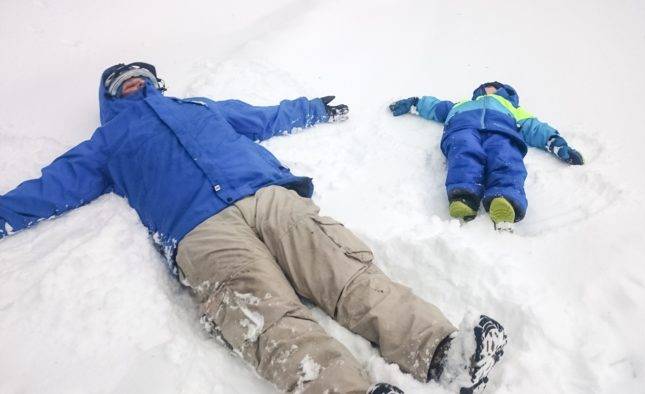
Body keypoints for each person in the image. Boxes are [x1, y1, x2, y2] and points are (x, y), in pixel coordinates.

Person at [0, 63, 507, 393]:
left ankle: (443, 354)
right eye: (120, 80)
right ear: (109, 96)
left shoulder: (198, 108)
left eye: (139, 74)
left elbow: (260, 118)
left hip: (268, 196)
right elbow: (51, 186)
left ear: (156, 81)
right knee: (262, 311)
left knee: (341, 268)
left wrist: (311, 108)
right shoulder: (105, 141)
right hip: (198, 229)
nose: (132, 81)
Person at [389, 82, 584, 231]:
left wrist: (556, 143)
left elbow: (535, 127)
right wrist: (414, 103)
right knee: (464, 155)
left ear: (504, 92)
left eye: (493, 87)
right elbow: (435, 107)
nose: (488, 89)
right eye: (485, 87)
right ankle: (464, 198)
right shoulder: (461, 105)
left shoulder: (513, 109)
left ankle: (505, 198)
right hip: (463, 129)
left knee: (505, 158)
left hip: (501, 132)